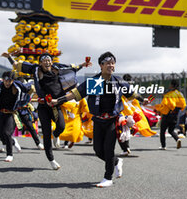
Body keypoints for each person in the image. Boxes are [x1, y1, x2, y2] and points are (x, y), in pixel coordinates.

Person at [53, 51, 148, 187]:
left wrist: (142, 99)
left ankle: (107, 177)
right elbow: (75, 94)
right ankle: (116, 162)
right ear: (101, 65)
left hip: (113, 120)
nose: (111, 65)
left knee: (108, 149)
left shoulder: (118, 81)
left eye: (113, 63)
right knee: (98, 151)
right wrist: (58, 100)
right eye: (108, 63)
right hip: (98, 120)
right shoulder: (94, 82)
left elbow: (132, 93)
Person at [2, 51, 91, 170]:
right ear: (40, 62)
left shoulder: (57, 67)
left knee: (61, 126)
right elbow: (17, 65)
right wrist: (9, 57)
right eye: (44, 60)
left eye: (49, 60)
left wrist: (83, 64)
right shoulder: (35, 69)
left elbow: (71, 68)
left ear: (51, 61)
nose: (47, 62)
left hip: (56, 104)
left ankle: (56, 135)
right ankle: (51, 159)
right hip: (43, 105)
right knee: (46, 133)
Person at [155, 80, 186, 150]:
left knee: (162, 131)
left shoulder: (169, 94)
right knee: (171, 130)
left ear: (172, 85)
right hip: (175, 115)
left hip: (167, 115)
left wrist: (159, 111)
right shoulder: (180, 94)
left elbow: (165, 105)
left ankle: (163, 146)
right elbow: (183, 106)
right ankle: (177, 139)